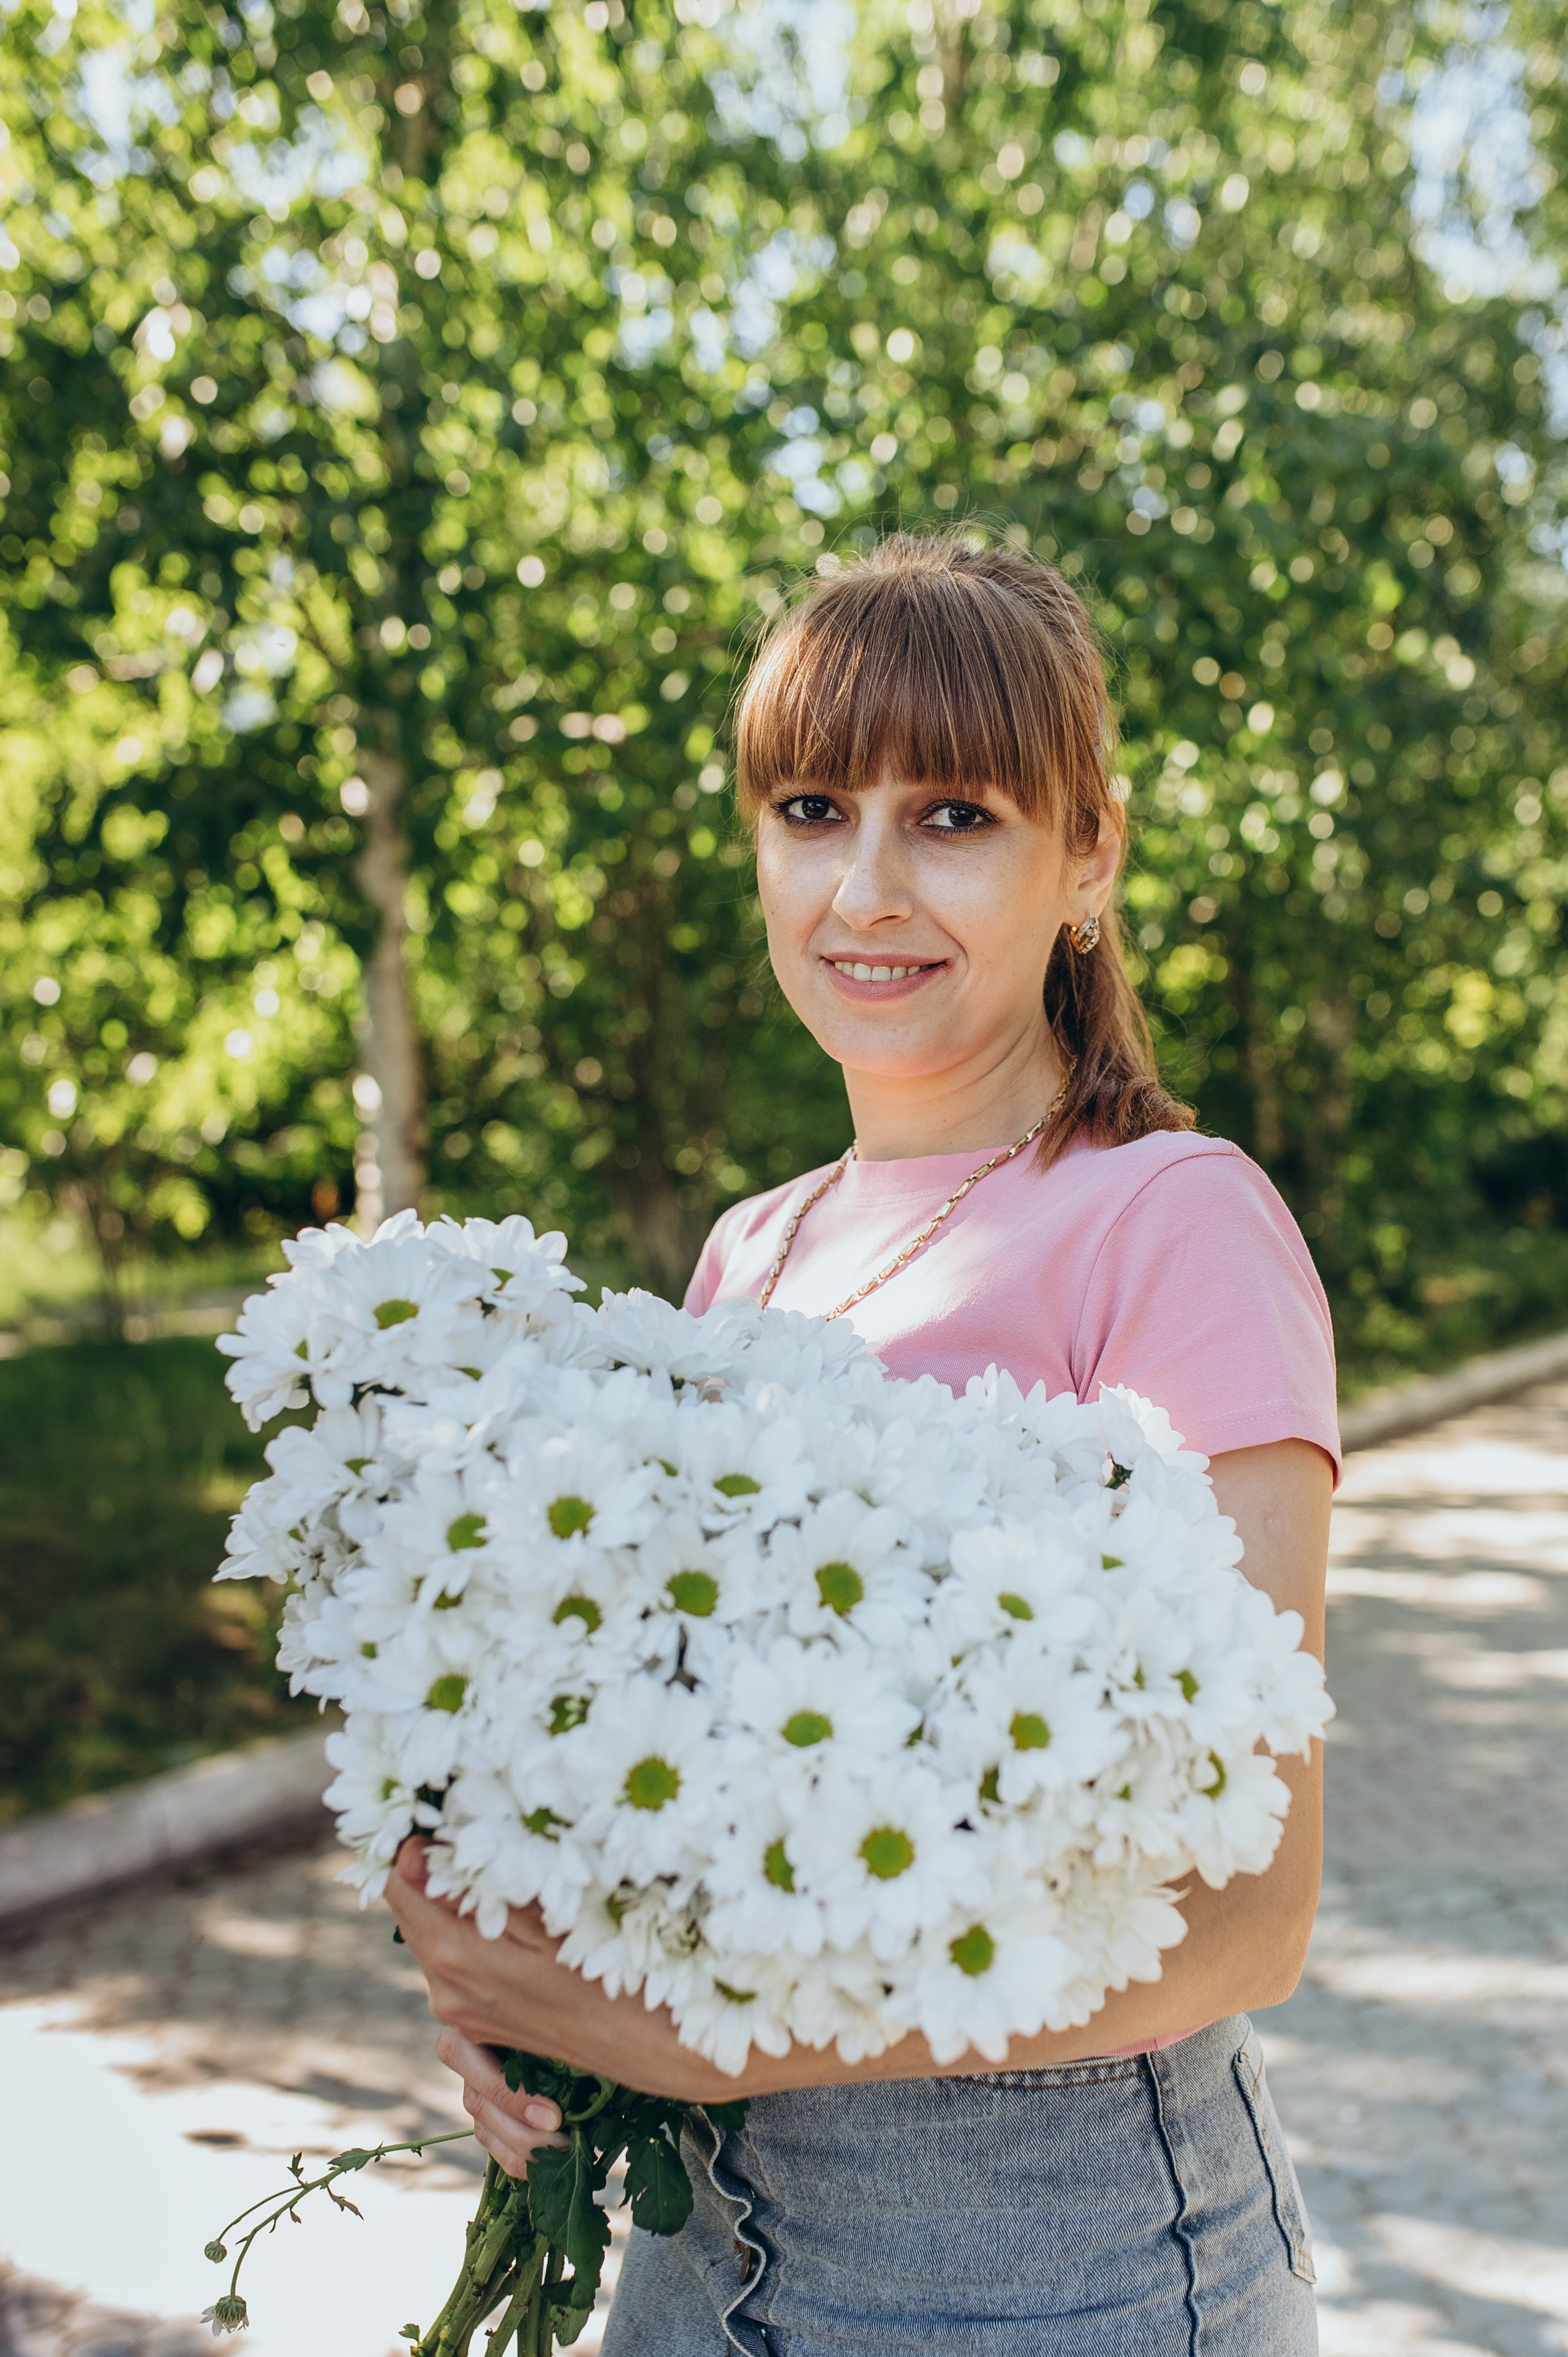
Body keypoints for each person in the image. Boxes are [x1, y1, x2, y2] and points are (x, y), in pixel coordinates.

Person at [386, 532, 1337, 2354]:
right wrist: (524, 1994)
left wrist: (696, 2025)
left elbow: (1246, 1915)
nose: (868, 887)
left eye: (957, 817)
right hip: (702, 2251)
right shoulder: (753, 1252)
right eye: (815, 808)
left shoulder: (1177, 1223)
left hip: (1051, 2264)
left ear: (1091, 856)